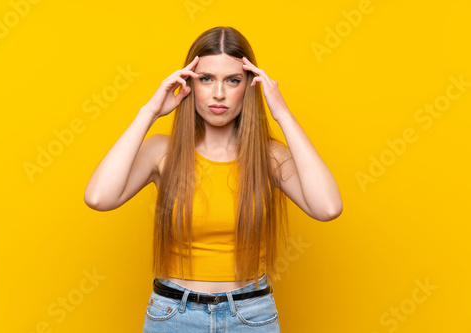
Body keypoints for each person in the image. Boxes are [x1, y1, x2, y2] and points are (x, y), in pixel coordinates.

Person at [84, 26, 342, 332]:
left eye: (232, 80)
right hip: (173, 316)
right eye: (206, 79)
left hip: (250, 315)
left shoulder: (268, 156)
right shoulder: (161, 151)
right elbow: (99, 197)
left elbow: (327, 208)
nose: (218, 93)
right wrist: (151, 110)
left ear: (249, 86)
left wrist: (282, 114)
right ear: (189, 83)